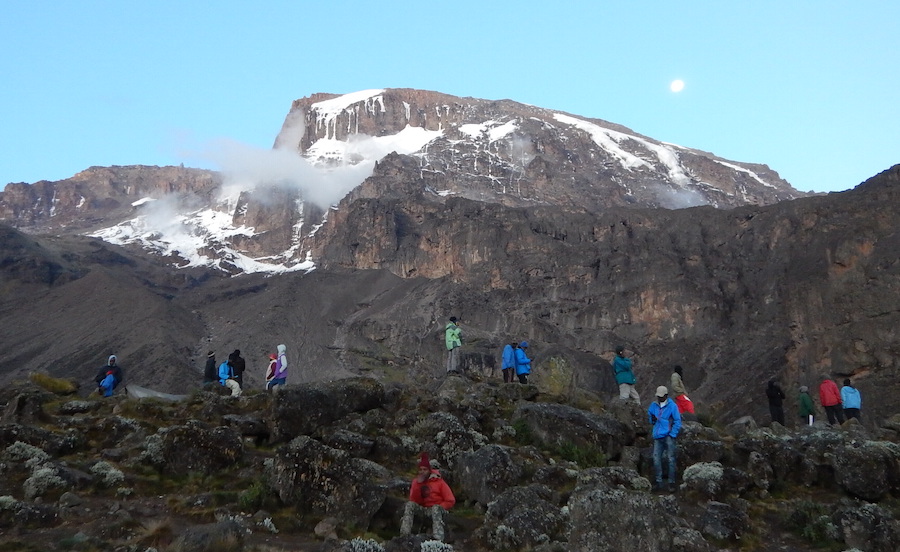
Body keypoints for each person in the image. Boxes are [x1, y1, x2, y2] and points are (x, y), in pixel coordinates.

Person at [400, 452, 455, 542]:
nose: (422, 472)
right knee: (410, 505)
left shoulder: (439, 482)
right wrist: (418, 485)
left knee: (435, 508)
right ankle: (404, 535)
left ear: (429, 470)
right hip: (424, 510)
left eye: (425, 469)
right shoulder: (416, 482)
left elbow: (450, 500)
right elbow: (414, 500)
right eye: (420, 469)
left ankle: (438, 539)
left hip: (438, 510)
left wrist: (439, 506)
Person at [648, 385, 681, 492]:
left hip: (668, 436)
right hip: (658, 436)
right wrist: (652, 420)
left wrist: (672, 434)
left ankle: (671, 483)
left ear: (666, 395)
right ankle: (659, 482)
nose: (659, 398)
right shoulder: (653, 406)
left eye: (661, 396)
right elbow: (650, 418)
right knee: (656, 458)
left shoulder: (672, 406)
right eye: (658, 396)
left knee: (670, 459)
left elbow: (677, 421)